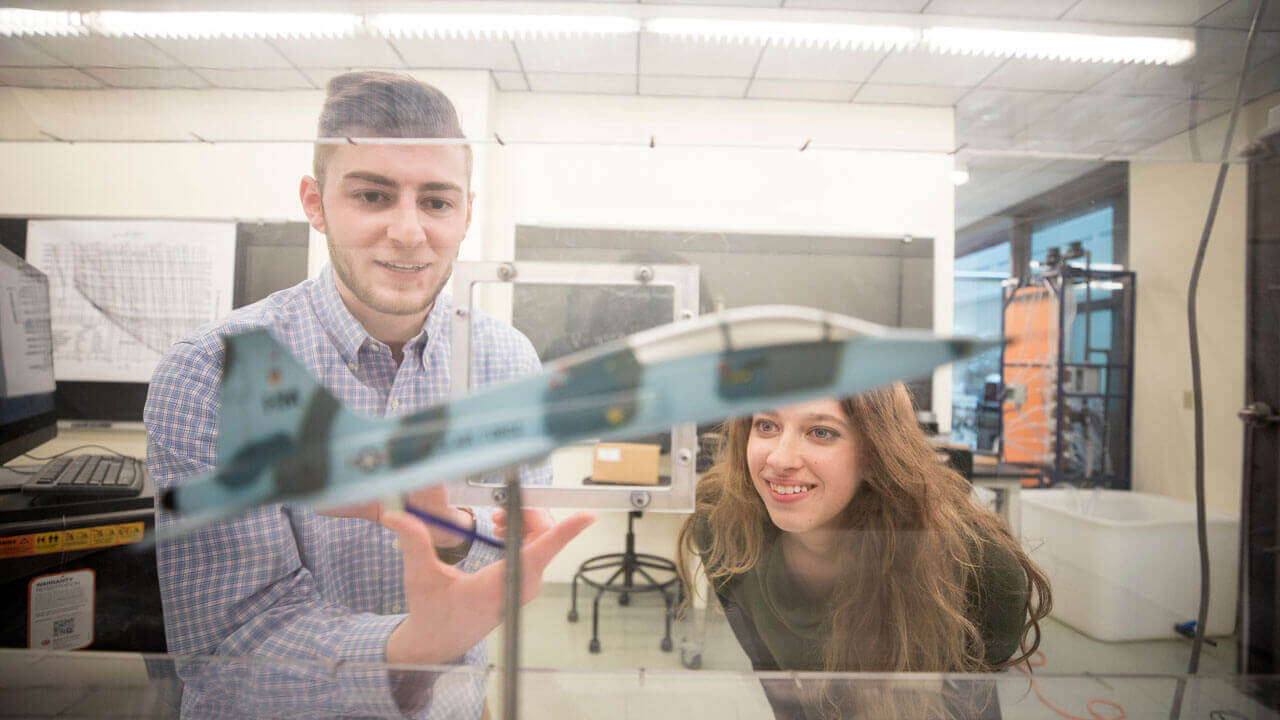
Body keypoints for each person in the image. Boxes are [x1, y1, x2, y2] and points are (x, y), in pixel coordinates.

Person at [145, 70, 592, 719]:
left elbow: (512, 548)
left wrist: (451, 531)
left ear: (466, 214)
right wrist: (407, 650)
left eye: (436, 202)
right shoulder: (213, 372)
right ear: (316, 203)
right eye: (373, 195)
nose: (409, 231)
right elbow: (227, 644)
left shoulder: (507, 363)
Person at [676, 385, 1051, 720]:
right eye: (766, 425)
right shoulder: (725, 530)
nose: (779, 459)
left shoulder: (978, 568)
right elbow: (780, 691)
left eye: (821, 432)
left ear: (875, 451)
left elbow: (971, 708)